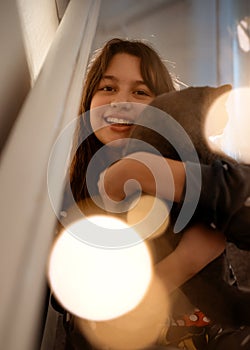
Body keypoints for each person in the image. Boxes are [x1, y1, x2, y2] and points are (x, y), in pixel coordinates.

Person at [63, 38, 250, 349]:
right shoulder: (74, 208)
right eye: (108, 88)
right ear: (88, 101)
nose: (121, 101)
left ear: (165, 106)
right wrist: (184, 261)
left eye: (140, 92)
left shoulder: (204, 168)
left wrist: (165, 175)